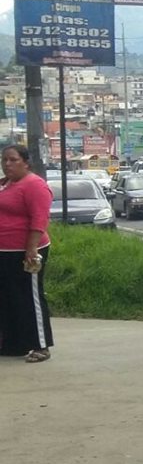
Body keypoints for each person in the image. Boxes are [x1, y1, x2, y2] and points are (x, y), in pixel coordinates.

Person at [0, 144, 54, 363]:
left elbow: (39, 219)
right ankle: (14, 344)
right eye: (4, 160)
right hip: (4, 252)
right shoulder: (6, 184)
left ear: (26, 162)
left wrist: (31, 249)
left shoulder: (34, 185)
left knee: (30, 298)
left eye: (13, 160)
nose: (8, 164)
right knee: (8, 297)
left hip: (27, 251)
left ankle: (41, 345)